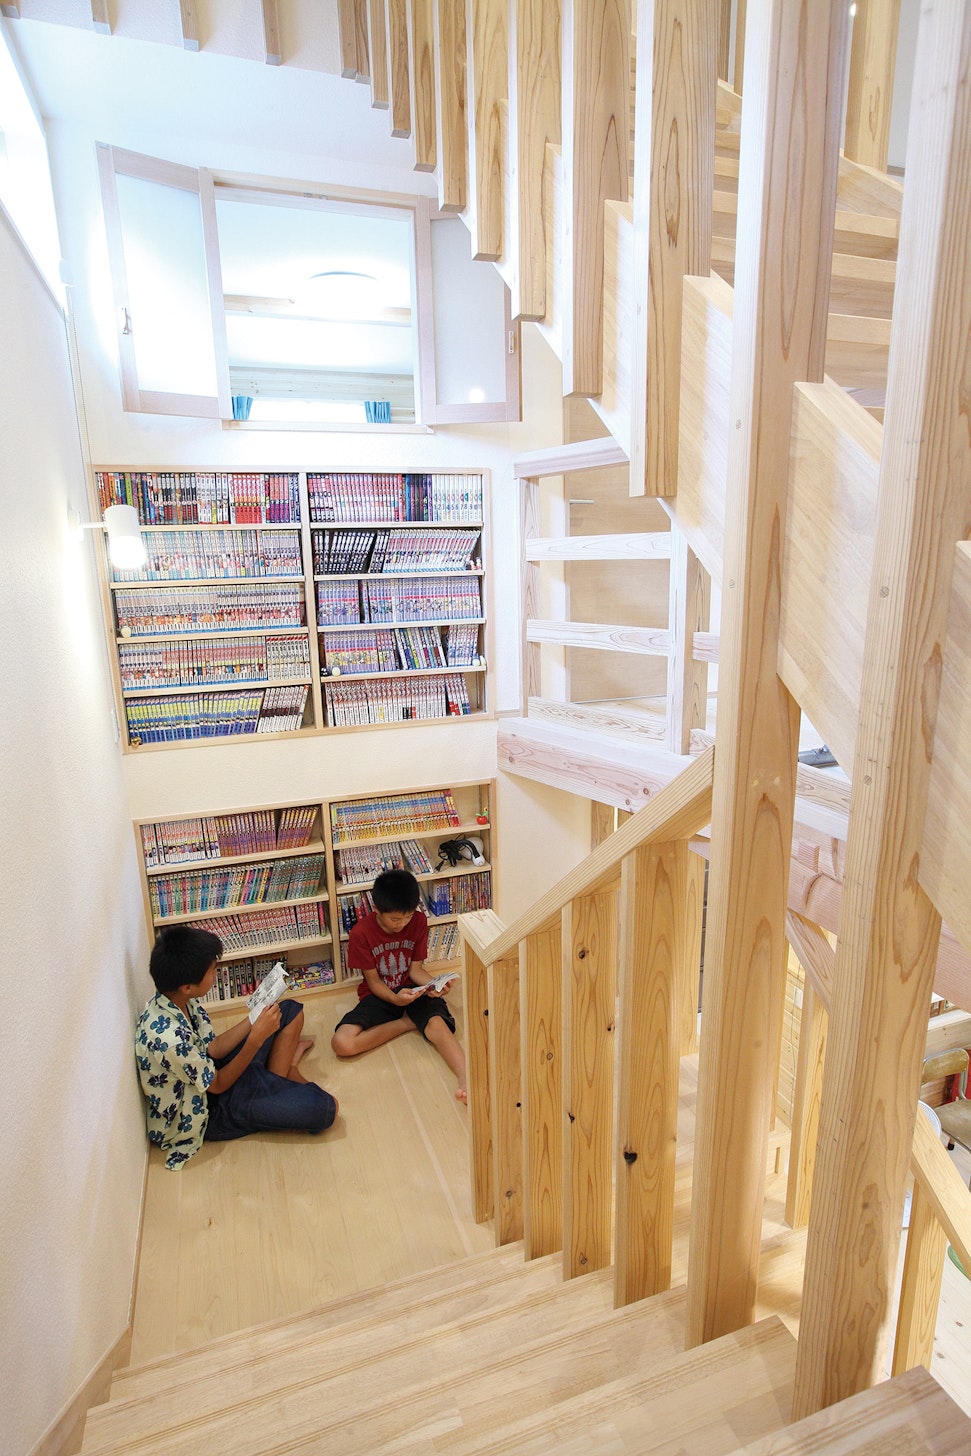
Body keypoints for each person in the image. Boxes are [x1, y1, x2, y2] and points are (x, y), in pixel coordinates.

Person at [135, 925, 338, 1170]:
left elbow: (214, 1048)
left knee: (289, 1010)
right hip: (208, 1109)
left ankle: (272, 1081)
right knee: (326, 1109)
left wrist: (255, 1018)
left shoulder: (177, 999)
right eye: (212, 971)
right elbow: (219, 1085)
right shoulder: (171, 1040)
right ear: (187, 986)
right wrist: (255, 1040)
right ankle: (286, 1071)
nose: (216, 974)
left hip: (210, 1071)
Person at [331, 868, 467, 1102]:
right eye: (395, 919)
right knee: (341, 1043)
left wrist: (434, 985)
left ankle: (466, 1078)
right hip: (380, 994)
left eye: (408, 917)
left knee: (437, 1025)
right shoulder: (361, 933)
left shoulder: (419, 920)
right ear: (377, 909)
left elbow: (415, 970)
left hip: (413, 989)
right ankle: (409, 1022)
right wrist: (395, 1000)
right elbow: (373, 982)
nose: (402, 924)